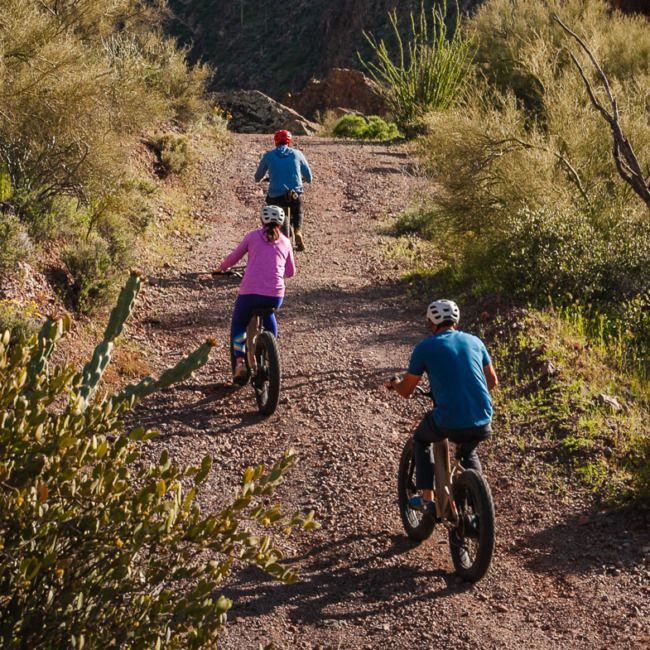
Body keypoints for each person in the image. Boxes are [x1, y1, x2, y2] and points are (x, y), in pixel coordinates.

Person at [386, 299, 498, 513]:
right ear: (455, 323)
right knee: (468, 453)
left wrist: (395, 384)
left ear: (432, 324)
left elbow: (407, 390)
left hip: (448, 419)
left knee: (421, 438)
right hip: (483, 417)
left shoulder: (425, 347)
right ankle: (479, 511)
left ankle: (427, 498)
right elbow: (492, 381)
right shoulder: (475, 341)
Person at [217, 205, 295, 384]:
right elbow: (290, 272)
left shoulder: (252, 236)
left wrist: (221, 268)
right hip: (274, 296)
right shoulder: (285, 241)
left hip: (249, 292)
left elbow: (233, 258)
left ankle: (240, 362)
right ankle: (269, 353)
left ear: (262, 221)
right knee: (269, 314)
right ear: (281, 223)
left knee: (238, 323)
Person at [254, 129, 312, 252]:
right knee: (298, 212)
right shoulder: (298, 154)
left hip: (276, 196)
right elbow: (309, 177)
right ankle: (297, 231)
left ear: (275, 141)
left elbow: (257, 177)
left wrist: (263, 178)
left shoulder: (268, 156)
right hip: (295, 194)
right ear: (289, 141)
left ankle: (272, 237)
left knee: (272, 212)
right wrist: (304, 180)